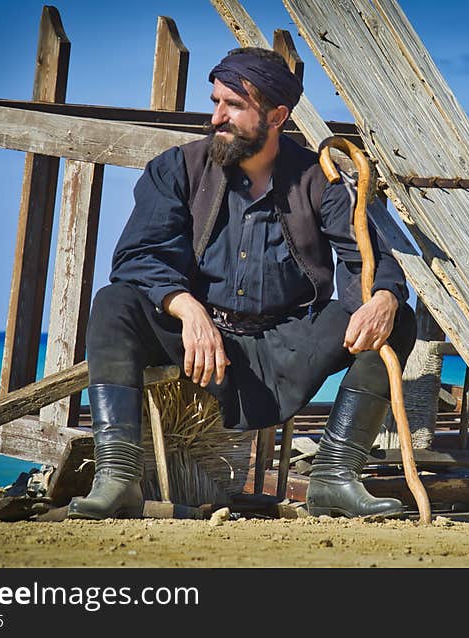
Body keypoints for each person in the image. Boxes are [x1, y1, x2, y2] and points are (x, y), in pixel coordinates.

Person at [67, 47, 416, 520]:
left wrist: (382, 298)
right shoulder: (177, 169)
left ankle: (334, 477)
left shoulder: (320, 179)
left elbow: (367, 259)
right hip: (202, 341)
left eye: (233, 105)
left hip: (289, 340)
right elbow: (138, 257)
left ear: (276, 115)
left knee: (394, 319)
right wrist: (187, 309)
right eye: (216, 102)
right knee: (114, 305)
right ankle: (118, 477)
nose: (217, 117)